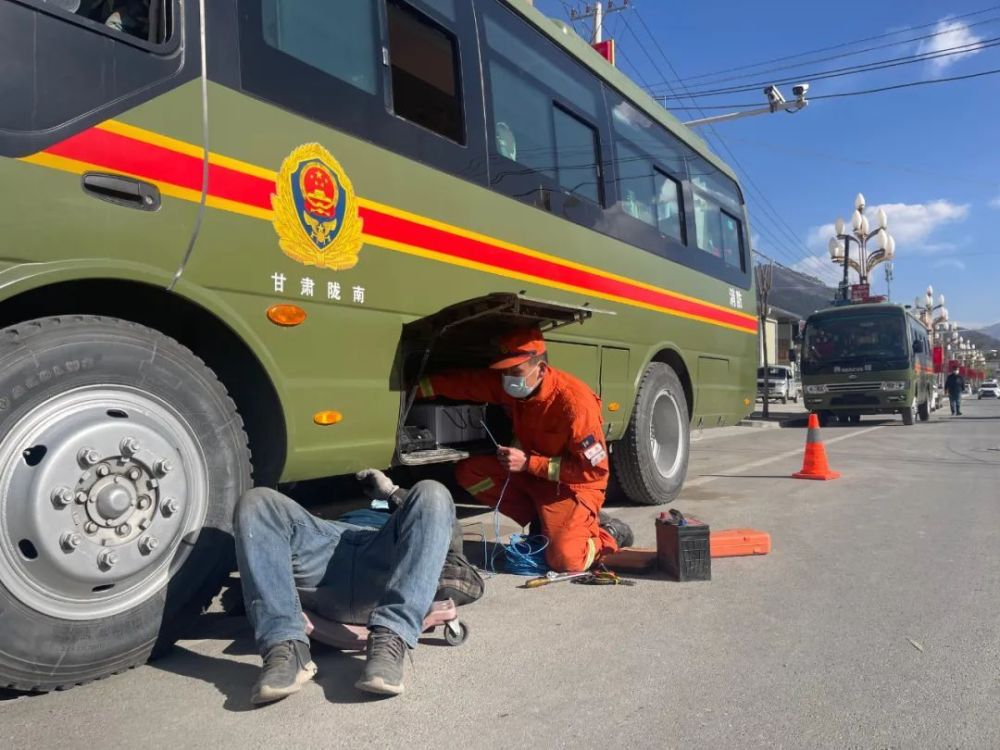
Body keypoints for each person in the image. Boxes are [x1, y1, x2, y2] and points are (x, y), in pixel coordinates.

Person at [418, 328, 633, 573]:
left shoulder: (575, 405)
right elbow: (469, 384)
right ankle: (543, 522)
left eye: (515, 372)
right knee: (470, 473)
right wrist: (421, 387)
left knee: (566, 560)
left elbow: (594, 473)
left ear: (540, 369)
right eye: (504, 372)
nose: (508, 378)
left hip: (571, 487)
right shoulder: (518, 386)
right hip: (534, 477)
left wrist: (529, 463)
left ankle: (607, 533)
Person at [233, 472, 455, 705]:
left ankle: (391, 639)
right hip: (323, 546)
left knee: (434, 491)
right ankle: (285, 648)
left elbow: (440, 524)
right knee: (256, 500)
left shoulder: (403, 507)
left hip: (383, 553)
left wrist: (391, 492)